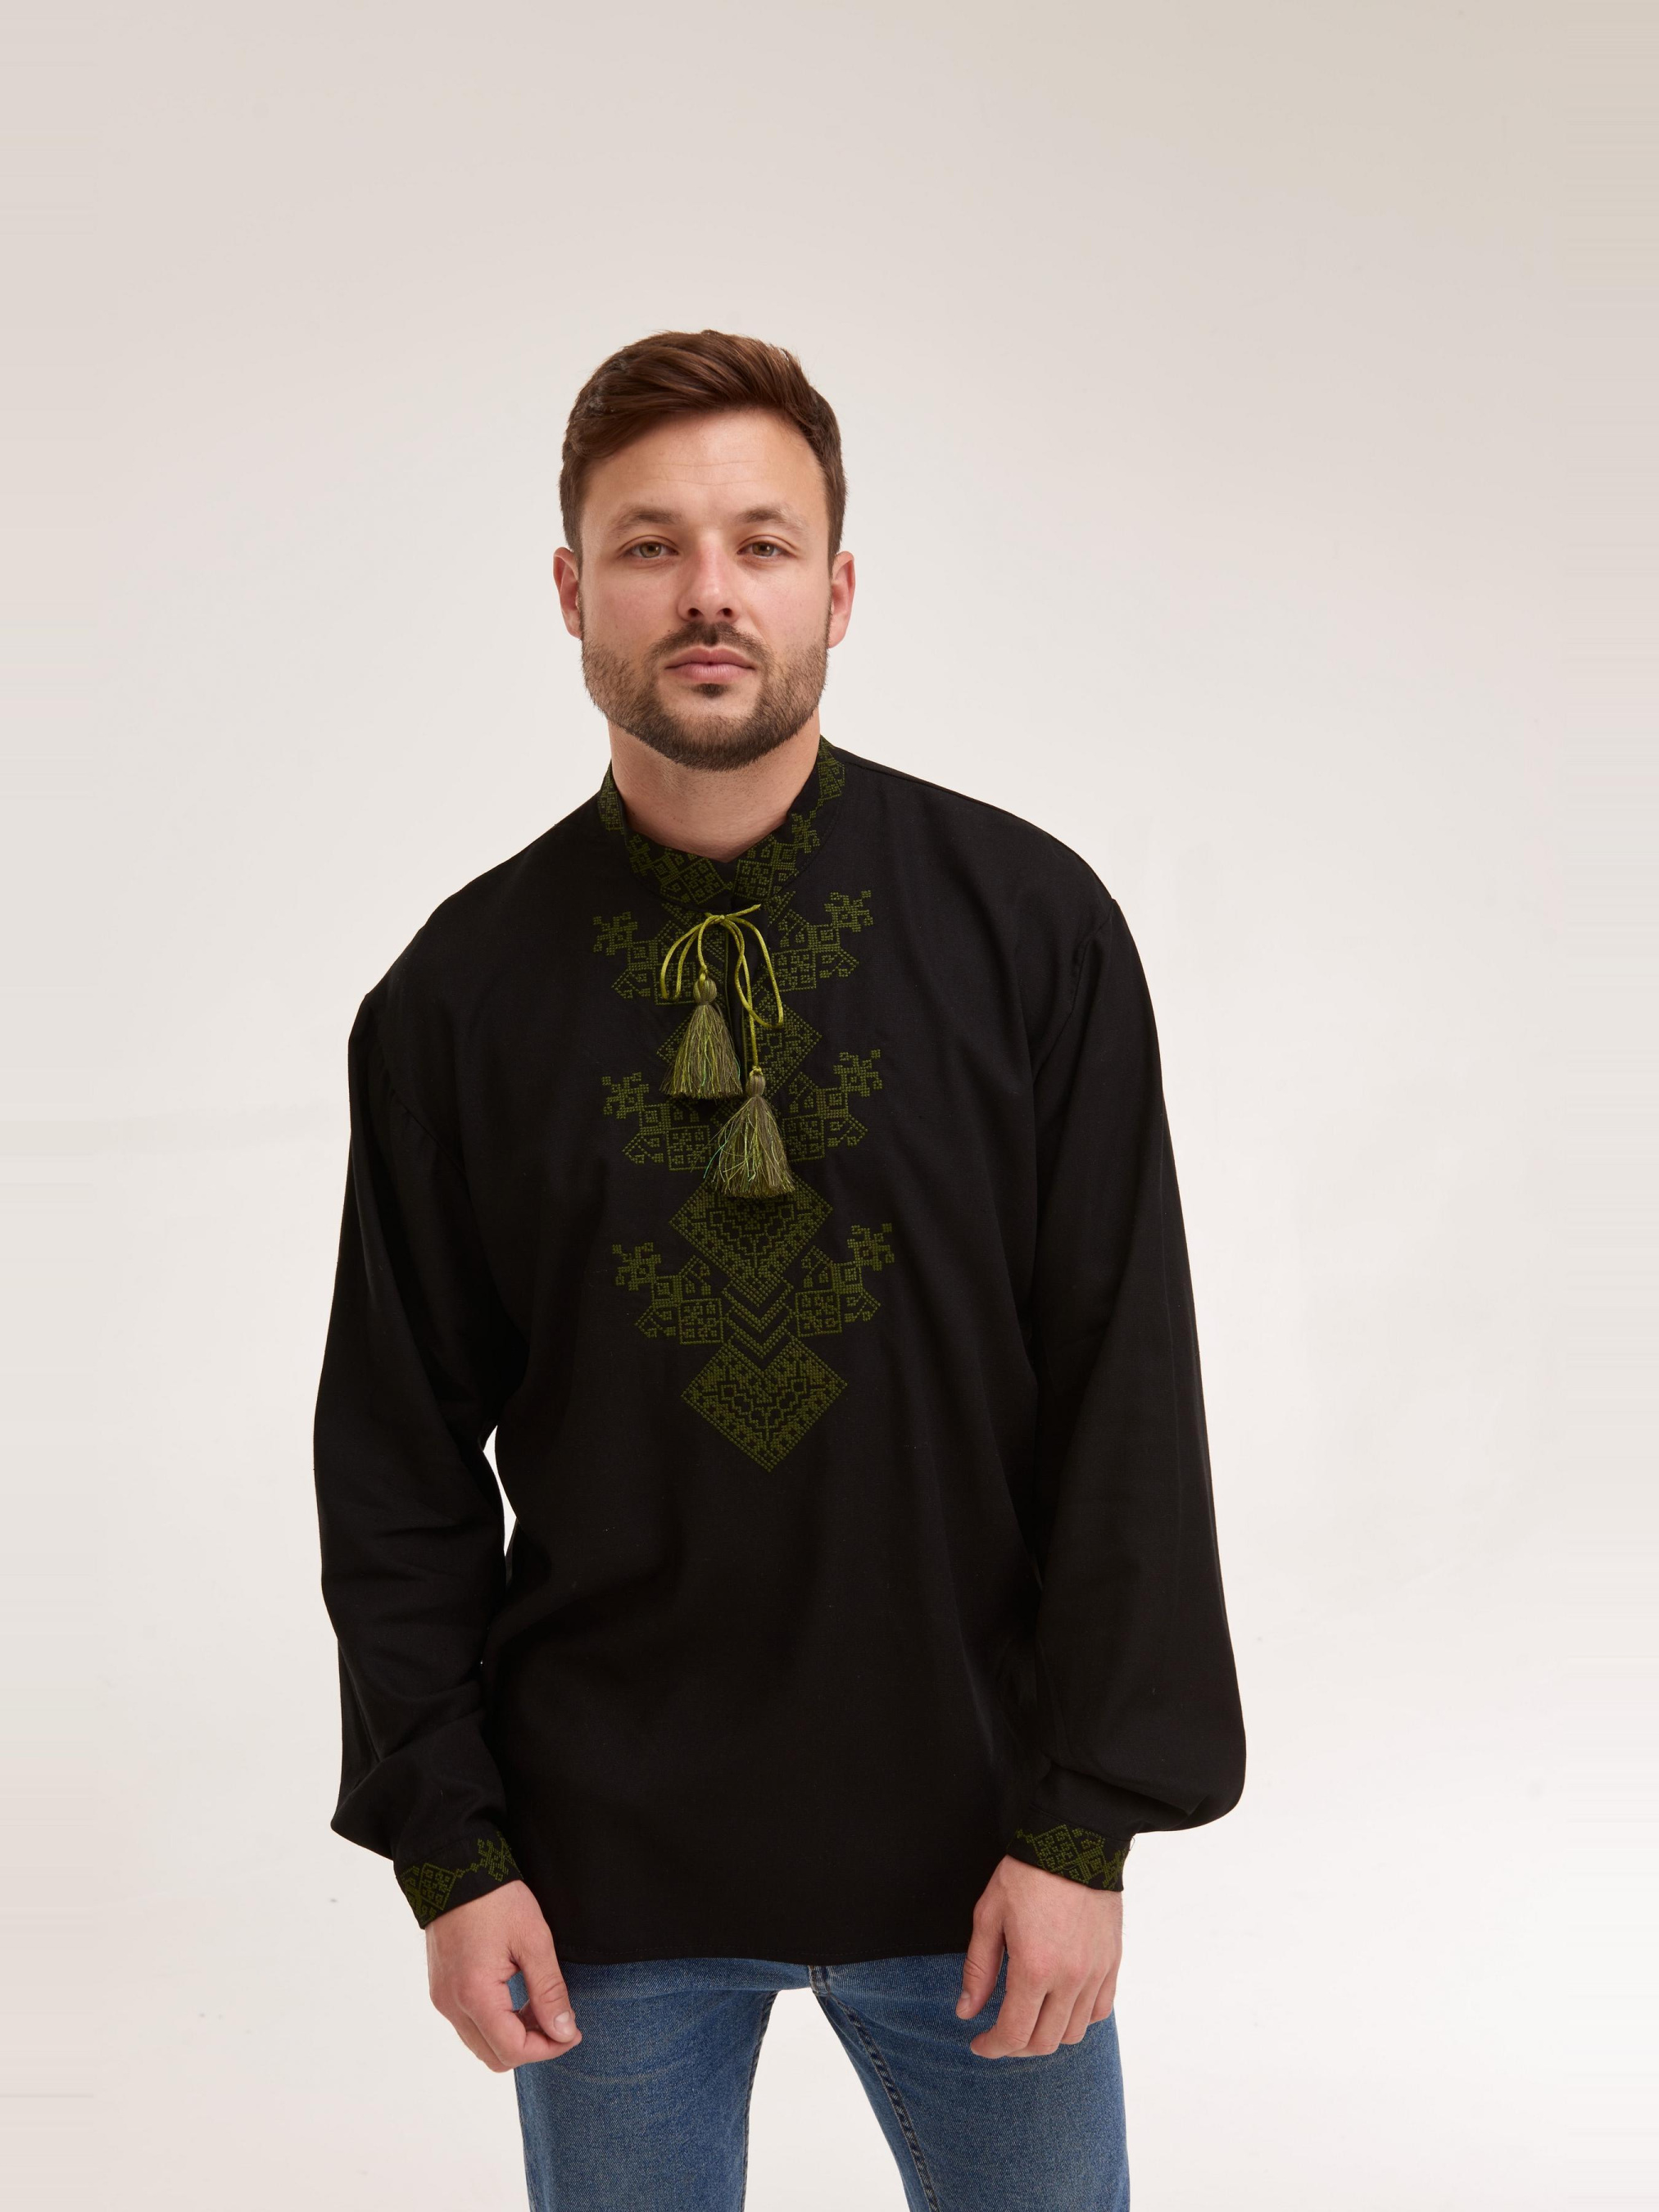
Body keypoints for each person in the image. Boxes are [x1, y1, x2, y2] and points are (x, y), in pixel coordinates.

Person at [313, 328, 1246, 2211]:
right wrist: (452, 1855)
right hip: (599, 1879)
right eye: (649, 545)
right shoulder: (456, 1000)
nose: (708, 591)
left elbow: (1122, 1391)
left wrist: (1084, 1832)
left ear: (837, 585)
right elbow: (396, 1464)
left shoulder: (1028, 932)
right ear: (571, 589)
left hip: (984, 1854)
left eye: (758, 541)